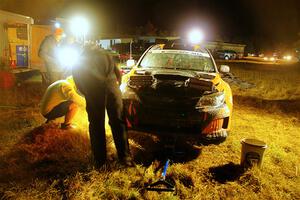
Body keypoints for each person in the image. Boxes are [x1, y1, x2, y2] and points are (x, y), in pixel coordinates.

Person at [72, 45, 134, 168]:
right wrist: (115, 88)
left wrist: (87, 92)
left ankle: (100, 161)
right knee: (118, 122)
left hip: (93, 90)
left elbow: (77, 79)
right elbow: (118, 74)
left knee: (96, 125)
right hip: (112, 88)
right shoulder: (106, 55)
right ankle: (125, 158)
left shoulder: (80, 58)